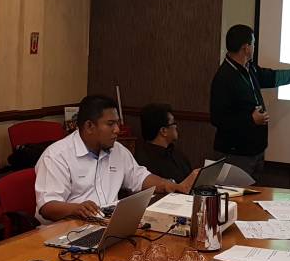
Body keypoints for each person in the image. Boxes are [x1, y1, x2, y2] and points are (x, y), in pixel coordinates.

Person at [34, 94, 198, 222]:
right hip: (68, 228)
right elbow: (47, 207)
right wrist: (76, 209)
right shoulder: (57, 156)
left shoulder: (118, 150)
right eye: (110, 124)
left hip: (108, 224)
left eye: (117, 123)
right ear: (89, 126)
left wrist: (170, 185)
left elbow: (140, 177)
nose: (117, 130)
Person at [210, 24, 290, 178]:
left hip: (255, 151)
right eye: (253, 43)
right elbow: (217, 119)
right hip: (236, 154)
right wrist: (251, 119)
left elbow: (273, 77)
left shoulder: (249, 68)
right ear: (246, 48)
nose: (254, 47)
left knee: (251, 192)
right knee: (234, 192)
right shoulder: (224, 78)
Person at [134, 103, 193, 184]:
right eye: (173, 123)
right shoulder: (143, 162)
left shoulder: (177, 154)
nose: (176, 126)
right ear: (163, 131)